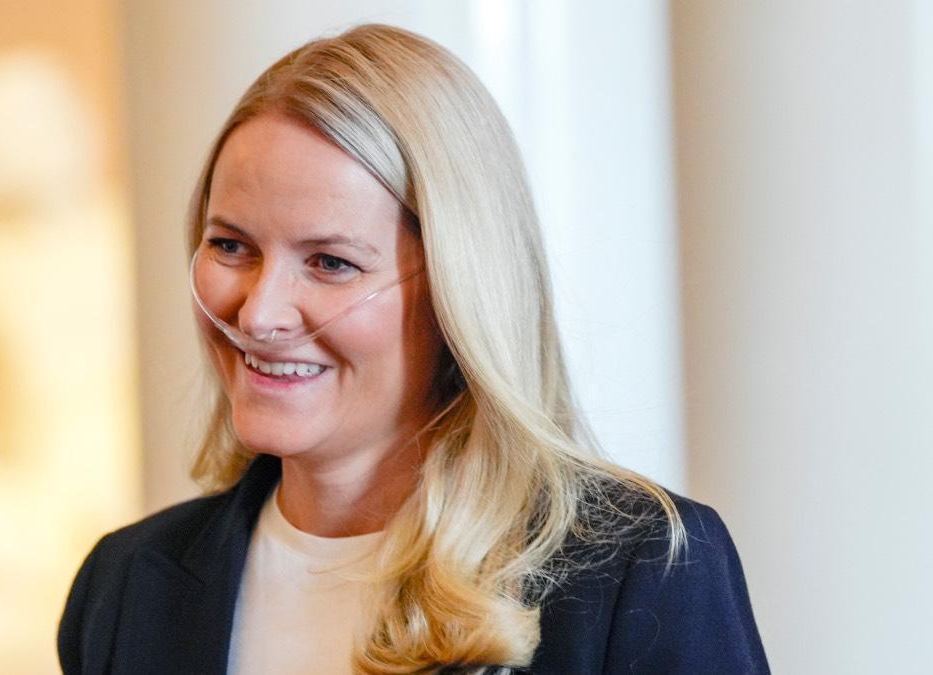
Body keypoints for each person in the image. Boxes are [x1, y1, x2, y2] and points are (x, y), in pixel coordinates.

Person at [58, 24, 768, 674]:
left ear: (459, 291)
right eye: (231, 246)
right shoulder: (123, 583)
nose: (260, 313)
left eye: (330, 262)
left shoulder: (639, 570)